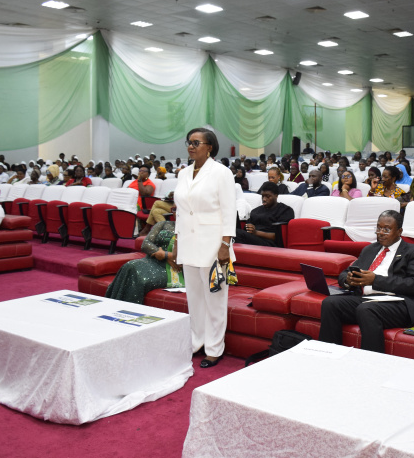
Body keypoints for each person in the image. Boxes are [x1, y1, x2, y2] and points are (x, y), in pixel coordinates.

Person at [170, 128, 236, 369]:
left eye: (196, 142)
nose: (191, 146)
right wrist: (176, 244)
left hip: (213, 245)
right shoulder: (183, 173)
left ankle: (214, 349)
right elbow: (181, 213)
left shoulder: (221, 173)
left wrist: (225, 245)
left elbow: (229, 212)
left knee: (215, 300)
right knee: (194, 299)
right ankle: (197, 342)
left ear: (210, 147)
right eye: (189, 142)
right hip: (188, 243)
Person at [318, 210, 414, 353]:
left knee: (367, 309)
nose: (380, 233)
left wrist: (375, 280)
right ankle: (328, 353)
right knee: (330, 303)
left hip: (398, 303)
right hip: (366, 299)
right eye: (378, 228)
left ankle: (371, 360)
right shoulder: (370, 249)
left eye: (386, 229)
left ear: (399, 231)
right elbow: (344, 273)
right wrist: (348, 280)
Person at [105, 219, 179, 303]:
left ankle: (130, 308)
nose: (176, 213)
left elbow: (187, 256)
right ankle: (114, 305)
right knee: (129, 266)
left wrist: (166, 255)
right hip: (153, 261)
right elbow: (145, 244)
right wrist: (162, 254)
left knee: (138, 276)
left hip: (172, 269)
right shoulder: (163, 224)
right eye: (174, 211)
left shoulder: (190, 231)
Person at [235, 182, 294, 247]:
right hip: (253, 239)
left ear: (276, 196)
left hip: (270, 243)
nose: (264, 199)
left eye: (268, 196)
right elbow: (245, 229)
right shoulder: (255, 211)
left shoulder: (285, 210)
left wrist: (256, 232)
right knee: (232, 232)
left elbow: (281, 237)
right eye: (263, 196)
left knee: (236, 233)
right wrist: (249, 229)